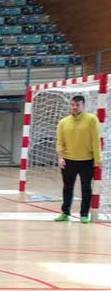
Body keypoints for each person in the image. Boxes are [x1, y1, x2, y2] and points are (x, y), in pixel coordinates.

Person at [55, 95, 102, 223]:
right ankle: (65, 212)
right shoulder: (63, 122)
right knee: (67, 187)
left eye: (78, 105)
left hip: (87, 161)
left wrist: (98, 159)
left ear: (83, 106)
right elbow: (60, 142)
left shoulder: (92, 120)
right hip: (68, 160)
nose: (75, 107)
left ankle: (84, 214)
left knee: (86, 187)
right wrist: (60, 157)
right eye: (73, 105)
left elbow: (95, 141)